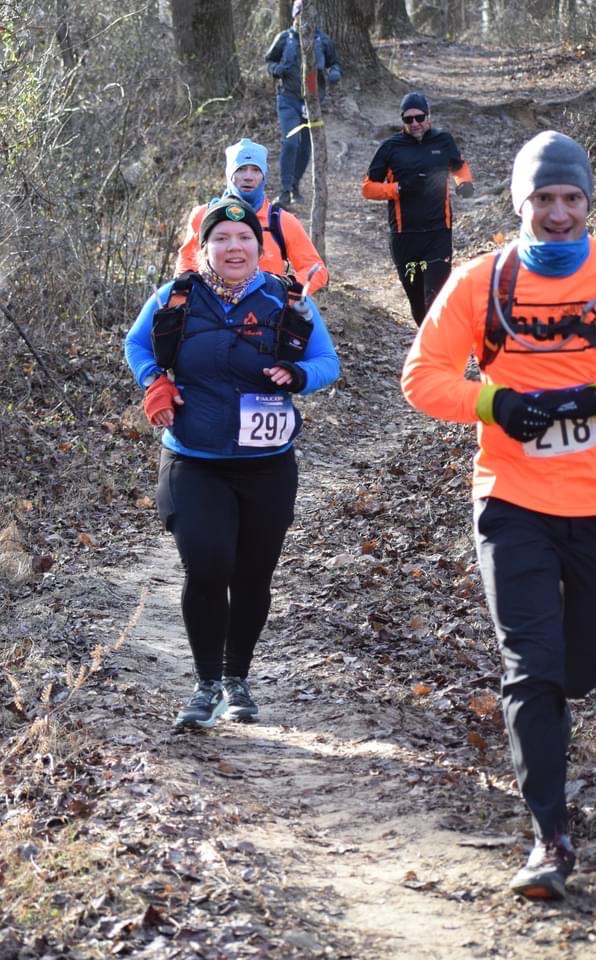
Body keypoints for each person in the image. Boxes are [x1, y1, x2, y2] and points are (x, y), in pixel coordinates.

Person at [401, 130, 595, 900]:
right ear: (519, 201)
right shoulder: (483, 283)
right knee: (532, 669)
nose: (555, 212)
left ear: (587, 201)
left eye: (569, 198)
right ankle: (549, 836)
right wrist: (497, 402)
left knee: (576, 669)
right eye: (541, 198)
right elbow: (421, 377)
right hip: (512, 500)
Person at [125, 197, 340, 730]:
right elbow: (136, 343)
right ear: (204, 249)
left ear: (260, 248)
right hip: (194, 460)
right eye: (221, 239)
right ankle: (206, 685)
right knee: (207, 564)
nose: (234, 247)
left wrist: (299, 376)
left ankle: (236, 678)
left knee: (252, 576)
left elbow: (326, 361)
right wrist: (155, 382)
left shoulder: (285, 300)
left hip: (267, 465)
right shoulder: (176, 296)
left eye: (244, 239)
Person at [362, 91, 474, 327]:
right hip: (405, 237)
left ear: (429, 116)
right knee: (418, 304)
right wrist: (399, 189)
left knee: (435, 296)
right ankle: (427, 340)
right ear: (402, 120)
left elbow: (459, 167)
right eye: (408, 119)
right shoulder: (391, 148)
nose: (415, 124)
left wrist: (464, 184)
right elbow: (368, 188)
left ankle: (439, 350)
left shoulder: (443, 141)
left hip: (438, 233)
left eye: (419, 117)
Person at [175, 137, 328, 295]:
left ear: (264, 175)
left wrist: (284, 288)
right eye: (241, 169)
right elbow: (186, 264)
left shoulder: (280, 221)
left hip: (267, 312)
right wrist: (188, 290)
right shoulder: (204, 216)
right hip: (212, 311)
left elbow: (317, 270)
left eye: (256, 169)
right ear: (229, 174)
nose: (248, 176)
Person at [264, 0, 342, 209]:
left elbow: (335, 62)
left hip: (312, 101)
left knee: (306, 147)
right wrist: (276, 69)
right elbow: (269, 60)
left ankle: (295, 187)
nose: (304, 19)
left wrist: (334, 73)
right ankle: (284, 190)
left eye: (308, 15)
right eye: (301, 14)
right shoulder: (284, 38)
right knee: (291, 142)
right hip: (288, 98)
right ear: (294, 16)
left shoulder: (322, 40)